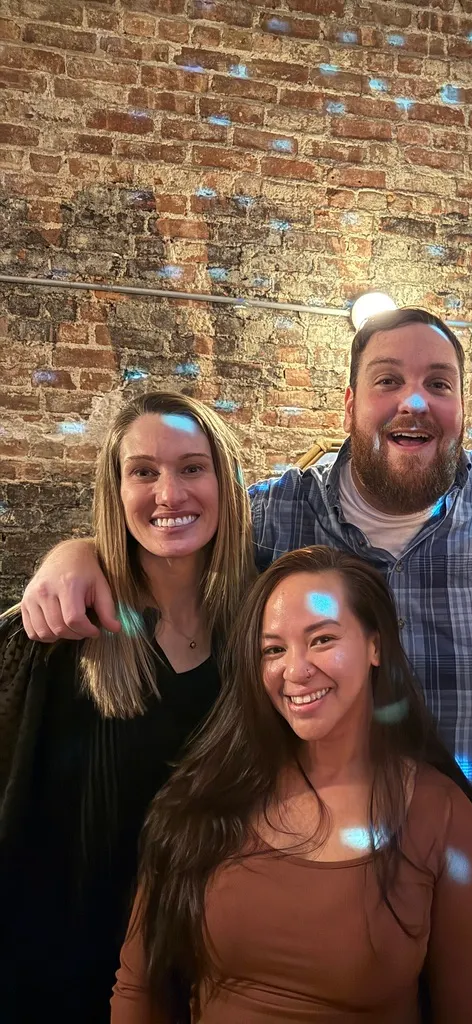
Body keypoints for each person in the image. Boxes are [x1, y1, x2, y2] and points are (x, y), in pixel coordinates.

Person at [19, 310, 472, 1023]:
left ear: (464, 405)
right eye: (388, 381)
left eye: (439, 383)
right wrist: (77, 554)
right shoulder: (278, 517)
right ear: (349, 401)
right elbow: (174, 519)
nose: (415, 401)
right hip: (324, 921)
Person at [110, 545, 472, 1023]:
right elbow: (138, 988)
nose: (294, 671)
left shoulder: (440, 813)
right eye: (273, 649)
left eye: (321, 640)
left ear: (375, 644)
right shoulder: (207, 792)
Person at [0, 392, 252, 1021]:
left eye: (192, 467)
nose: (169, 494)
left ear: (226, 482)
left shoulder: (263, 631)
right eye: (143, 471)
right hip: (64, 969)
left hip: (210, 962)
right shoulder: (56, 634)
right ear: (115, 491)